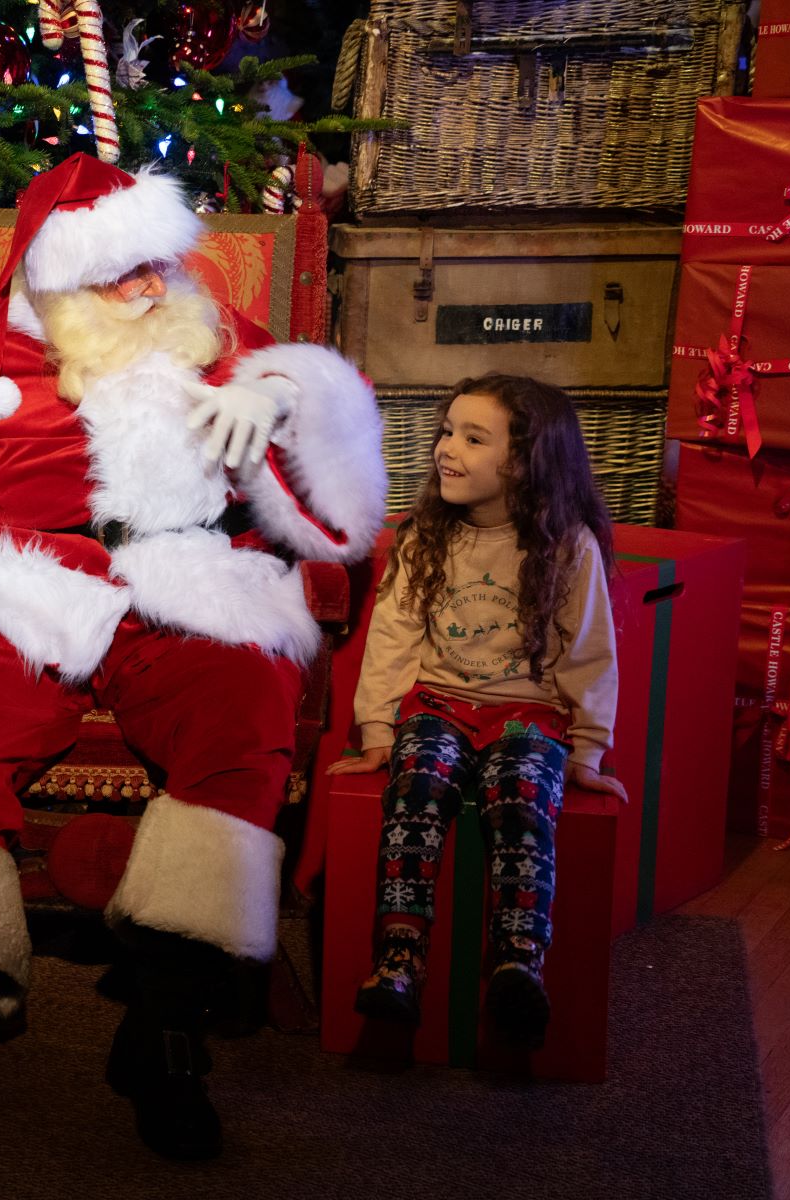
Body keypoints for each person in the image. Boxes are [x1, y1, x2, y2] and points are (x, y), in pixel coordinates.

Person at [0, 153, 386, 1160]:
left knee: (246, 699)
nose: (153, 288)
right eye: (124, 274)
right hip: (24, 575)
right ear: (58, 277)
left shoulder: (218, 335)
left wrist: (281, 398)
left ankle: (167, 1024)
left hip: (181, 567)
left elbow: (338, 450)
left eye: (160, 266)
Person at [329, 374, 626, 1050]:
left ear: (524, 462)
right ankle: (399, 961)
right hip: (439, 703)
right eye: (446, 432)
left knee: (521, 794)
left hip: (527, 710)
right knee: (417, 788)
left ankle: (518, 963)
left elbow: (590, 654)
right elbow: (393, 638)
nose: (446, 449)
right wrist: (378, 728)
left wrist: (587, 751)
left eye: (472, 437)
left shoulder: (566, 546)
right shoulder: (424, 537)